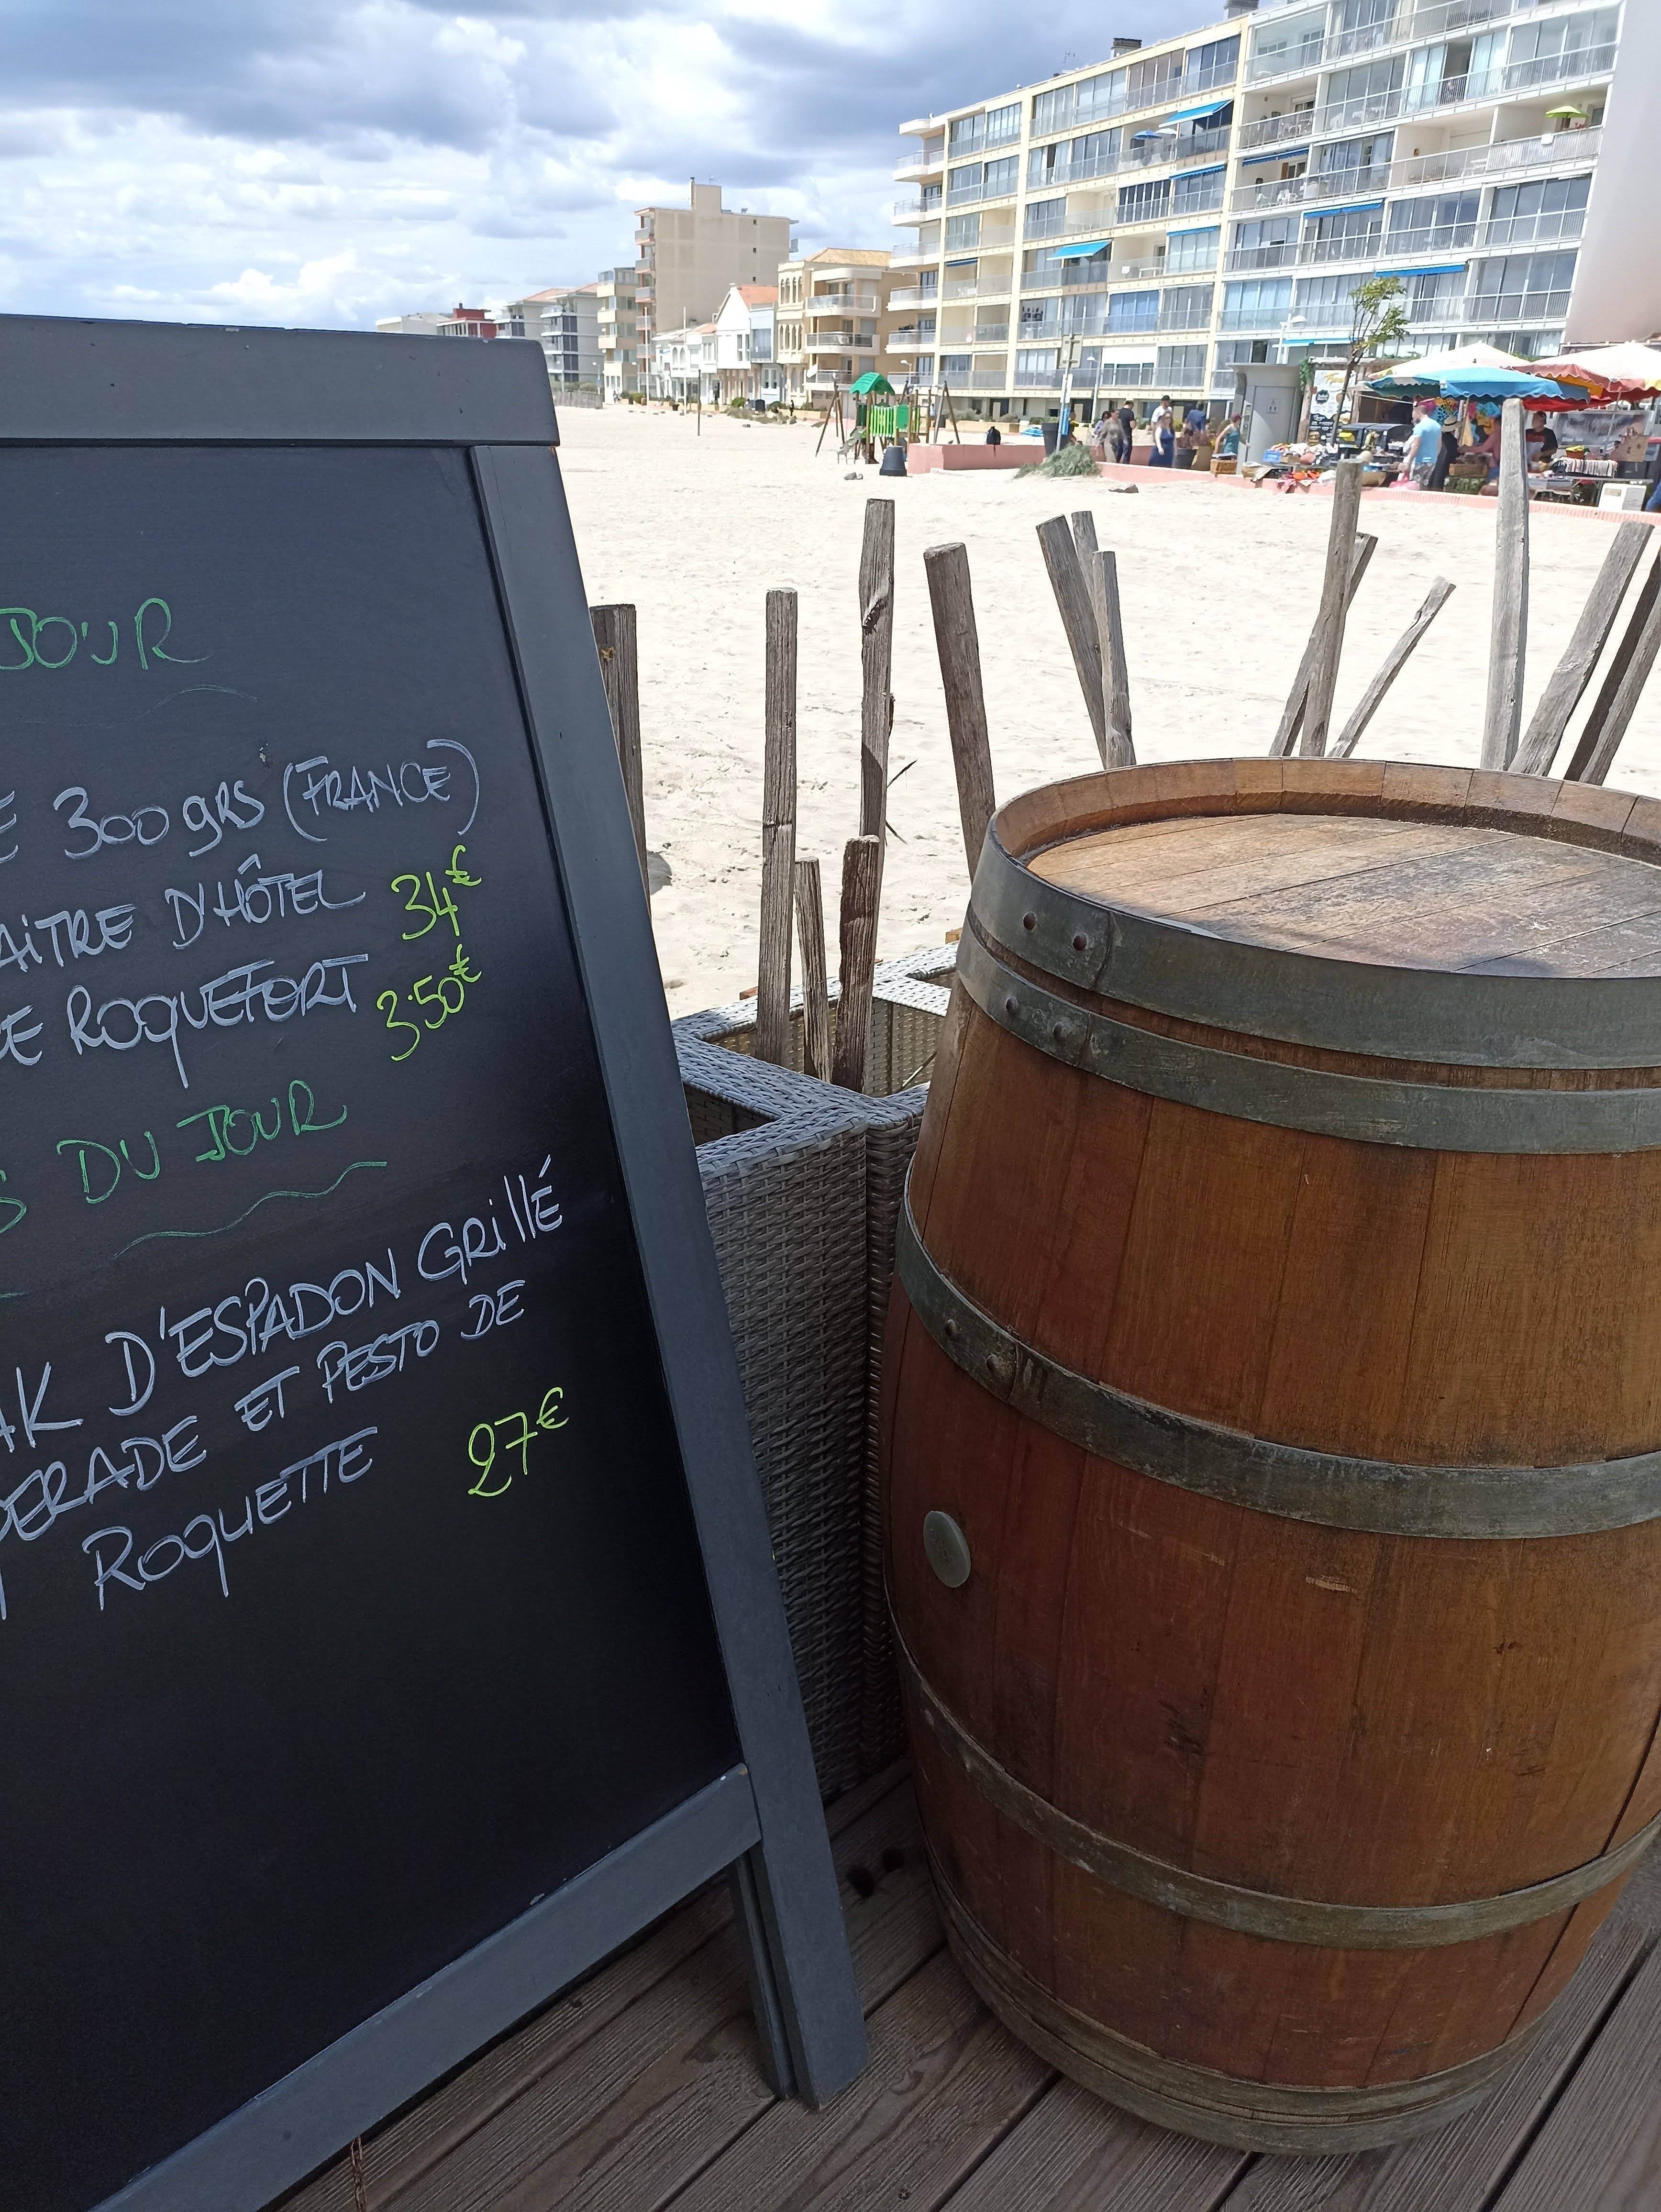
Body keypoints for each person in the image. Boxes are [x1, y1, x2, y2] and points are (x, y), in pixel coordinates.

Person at [1403, 401, 1443, 489]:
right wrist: (1435, 457)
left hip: (1419, 461)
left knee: (1414, 487)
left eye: (1414, 414)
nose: (1413, 417)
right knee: (1424, 487)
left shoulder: (1420, 427)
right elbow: (1439, 445)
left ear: (1418, 412)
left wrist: (1409, 460)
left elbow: (1416, 445)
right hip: (1432, 462)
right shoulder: (1437, 426)